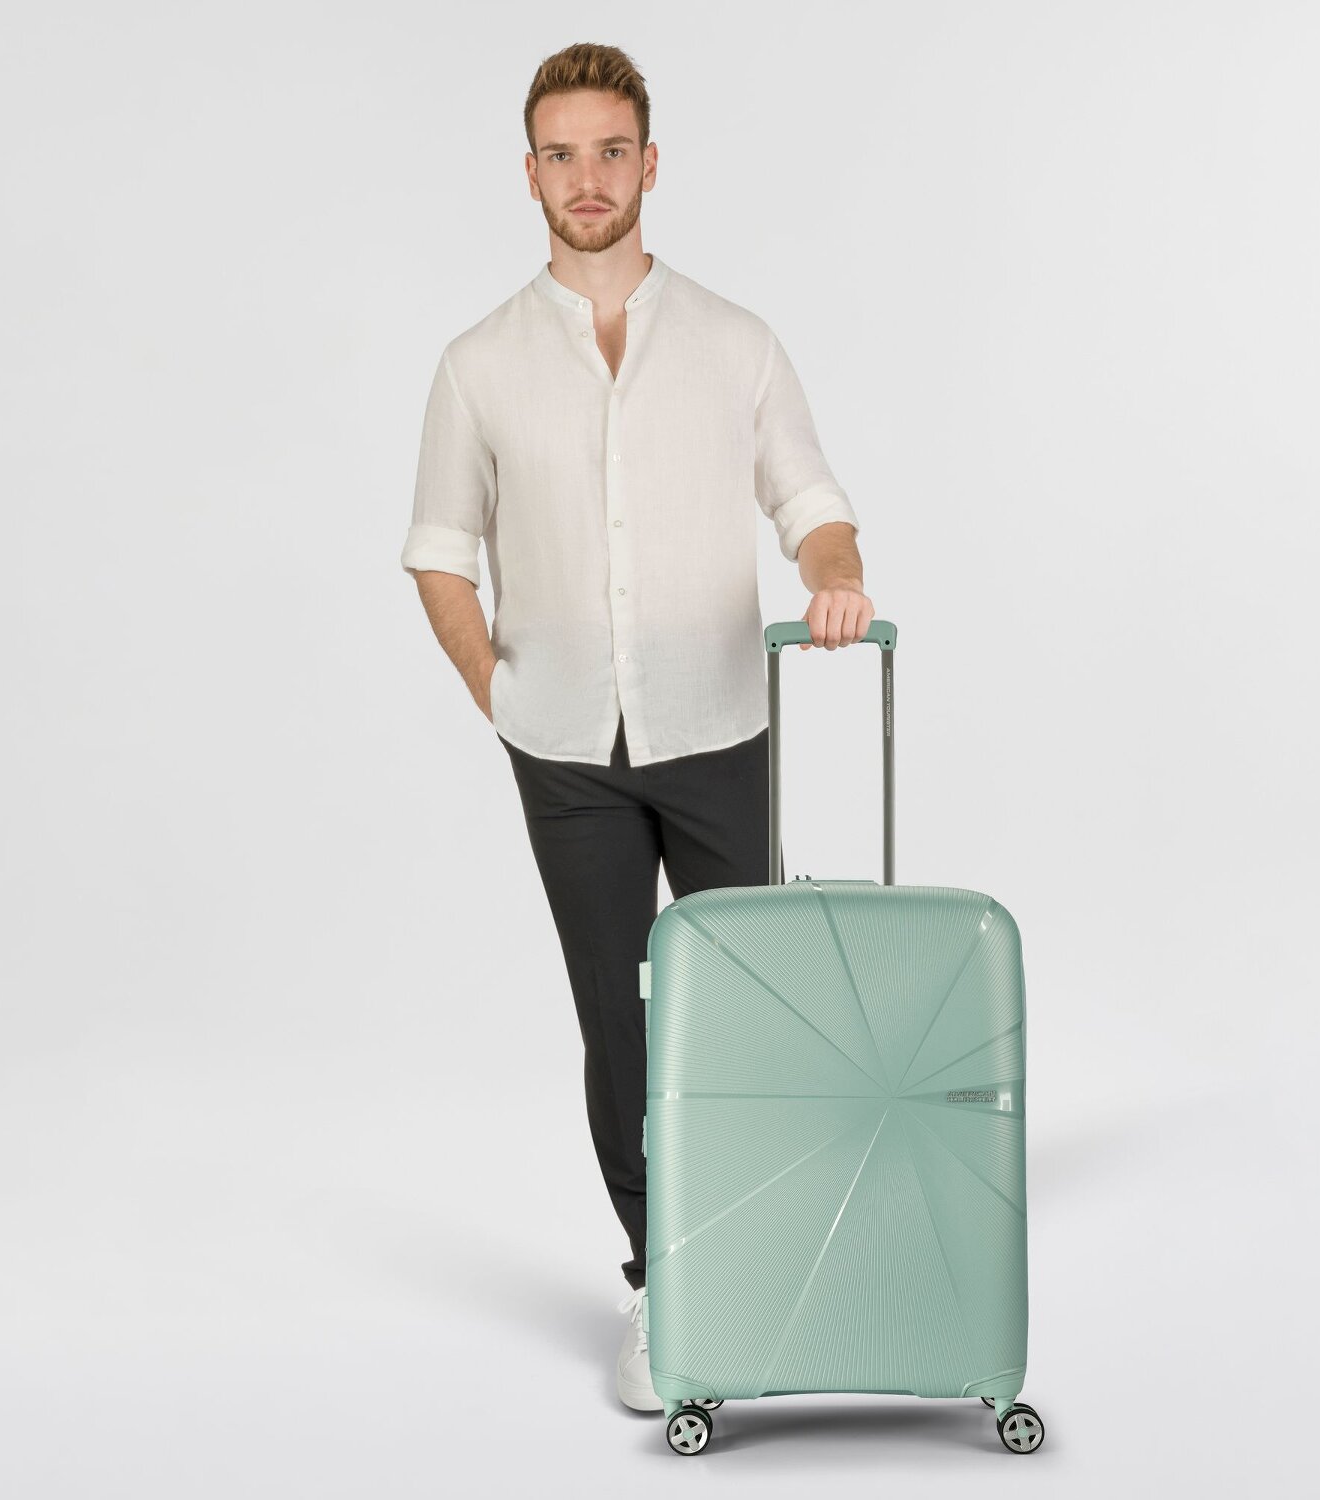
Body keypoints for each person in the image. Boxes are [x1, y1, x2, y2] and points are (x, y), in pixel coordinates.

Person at [400, 42, 875, 1413]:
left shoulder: (736, 341)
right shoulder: (478, 365)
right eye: (563, 155)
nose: (589, 178)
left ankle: (773, 1262)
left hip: (720, 722)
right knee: (620, 1020)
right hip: (563, 752)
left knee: (754, 1011)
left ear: (651, 163)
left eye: (612, 151)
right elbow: (440, 553)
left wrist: (836, 576)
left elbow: (811, 501)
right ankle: (665, 1280)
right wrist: (500, 692)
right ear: (530, 173)